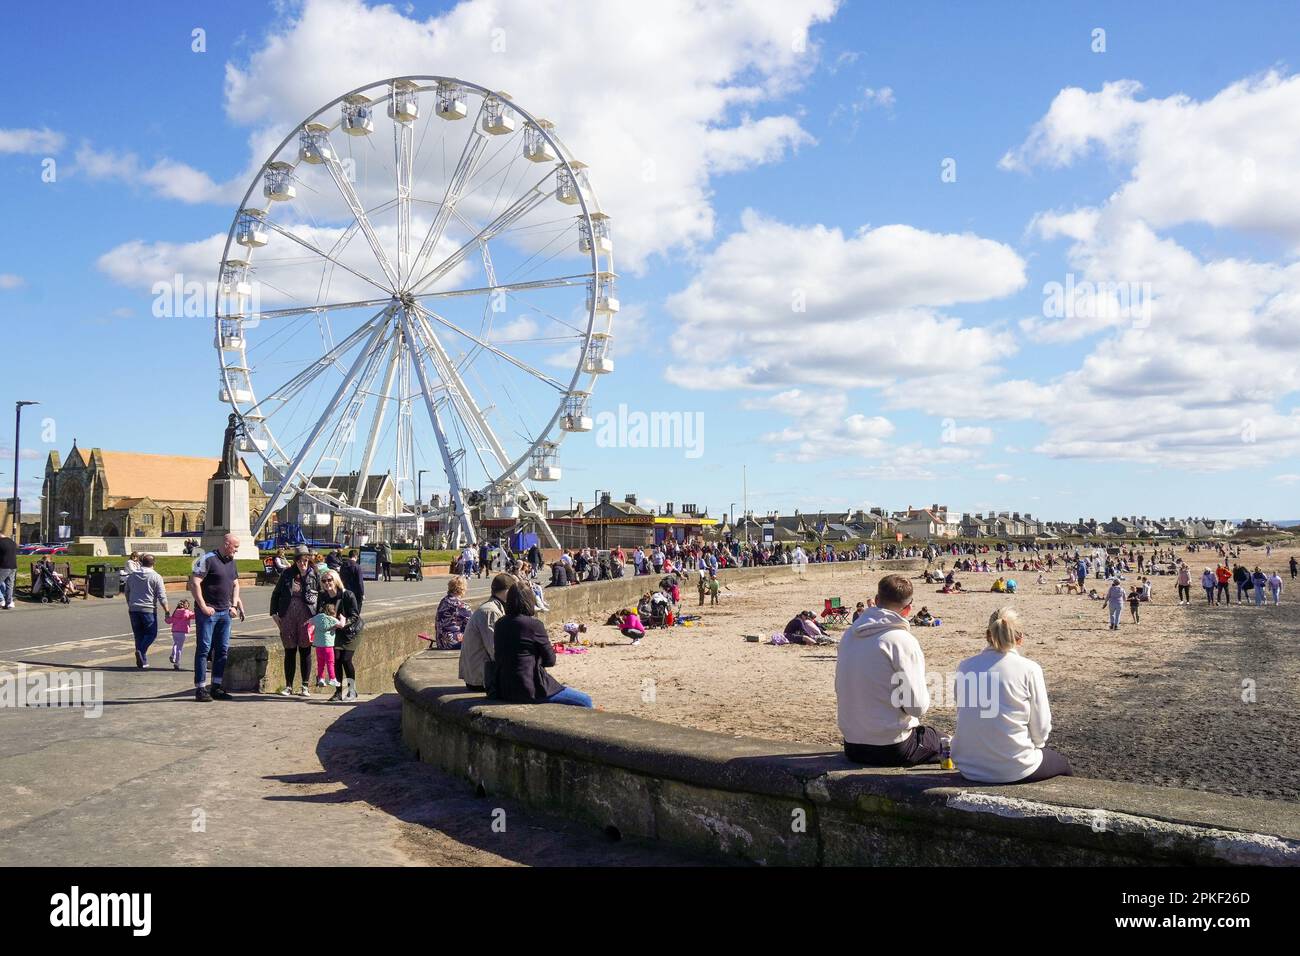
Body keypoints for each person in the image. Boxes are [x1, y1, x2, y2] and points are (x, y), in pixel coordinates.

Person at [951, 607, 1072, 784]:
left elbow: (963, 711)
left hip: (968, 765)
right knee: (1062, 764)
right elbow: (1042, 727)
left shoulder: (965, 666)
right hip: (1014, 767)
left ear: (987, 635)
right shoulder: (1029, 669)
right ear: (1020, 638)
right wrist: (1037, 745)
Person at [835, 574, 944, 767]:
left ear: (876, 601)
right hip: (893, 747)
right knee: (946, 741)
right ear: (909, 608)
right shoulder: (901, 640)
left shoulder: (849, 635)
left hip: (852, 745)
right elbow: (917, 707)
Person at [493, 581, 593, 707]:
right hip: (528, 688)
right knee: (585, 701)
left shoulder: (500, 624)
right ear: (530, 601)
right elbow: (550, 660)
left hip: (503, 687)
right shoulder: (534, 625)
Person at [190, 534, 246, 702]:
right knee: (204, 649)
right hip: (208, 613)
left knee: (222, 650)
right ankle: (200, 688)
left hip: (225, 612)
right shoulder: (207, 559)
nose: (237, 550)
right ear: (226, 544)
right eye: (235, 547)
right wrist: (203, 606)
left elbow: (236, 584)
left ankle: (216, 686)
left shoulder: (232, 562)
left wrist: (234, 605)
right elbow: (194, 582)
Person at [269, 544, 319, 698]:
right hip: (288, 616)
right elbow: (276, 594)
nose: (302, 563)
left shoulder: (314, 574)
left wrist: (320, 617)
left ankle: (304, 686)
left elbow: (322, 595)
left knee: (305, 651)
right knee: (289, 651)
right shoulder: (287, 574)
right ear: (295, 561)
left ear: (309, 559)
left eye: (305, 560)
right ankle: (289, 686)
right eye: (299, 560)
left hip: (307, 616)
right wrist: (274, 614)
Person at [460, 573, 513, 691]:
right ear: (508, 591)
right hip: (482, 679)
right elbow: (495, 649)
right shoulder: (491, 611)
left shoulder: (491, 607)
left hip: (478, 675)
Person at [319, 570, 363, 702]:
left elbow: (354, 615)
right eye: (324, 581)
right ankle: (338, 692)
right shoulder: (324, 597)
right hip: (335, 632)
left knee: (345, 659)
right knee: (336, 660)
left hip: (351, 632)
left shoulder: (347, 595)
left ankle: (351, 690)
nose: (327, 583)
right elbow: (320, 613)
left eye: (330, 580)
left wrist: (343, 624)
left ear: (336, 580)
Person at [124, 554, 171, 669]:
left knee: (138, 635)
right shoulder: (156, 577)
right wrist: (167, 610)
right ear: (153, 563)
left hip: (134, 609)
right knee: (151, 633)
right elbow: (162, 596)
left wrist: (130, 603)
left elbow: (127, 591)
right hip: (148, 609)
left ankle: (142, 661)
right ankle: (141, 651)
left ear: (141, 562)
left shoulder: (132, 576)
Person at [435, 576, 472, 649]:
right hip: (453, 643)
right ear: (462, 589)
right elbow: (473, 623)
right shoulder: (461, 606)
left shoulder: (443, 601)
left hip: (441, 642)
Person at [309, 605, 341, 689]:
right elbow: (341, 625)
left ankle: (321, 679)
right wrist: (342, 618)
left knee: (320, 664)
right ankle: (332, 679)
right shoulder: (332, 619)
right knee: (330, 663)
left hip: (318, 646)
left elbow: (310, 621)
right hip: (328, 646)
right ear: (332, 612)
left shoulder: (317, 617)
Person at [164, 599, 195, 671]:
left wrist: (166, 617)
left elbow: (169, 621)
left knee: (175, 643)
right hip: (182, 632)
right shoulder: (187, 613)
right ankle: (177, 663)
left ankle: (173, 655)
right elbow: (195, 616)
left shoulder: (175, 612)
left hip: (174, 632)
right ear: (186, 605)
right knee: (179, 648)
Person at [0, 531, 16, 609]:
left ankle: (1, 600)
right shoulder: (12, 542)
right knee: (9, 585)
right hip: (13, 566)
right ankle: (9, 602)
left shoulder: (0, 542)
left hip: (4, 566)